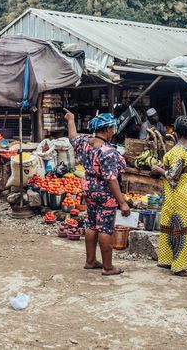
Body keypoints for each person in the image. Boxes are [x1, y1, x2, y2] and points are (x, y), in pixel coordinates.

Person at [65, 110, 130, 276]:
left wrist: (71, 120)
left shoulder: (85, 142)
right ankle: (108, 267)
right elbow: (111, 179)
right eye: (112, 128)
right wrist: (122, 202)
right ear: (107, 130)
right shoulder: (107, 151)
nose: (114, 131)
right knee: (105, 228)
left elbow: (72, 137)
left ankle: (91, 261)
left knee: (92, 223)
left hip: (88, 187)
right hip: (104, 190)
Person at [150, 116, 187, 277]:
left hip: (178, 194)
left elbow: (172, 177)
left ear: (176, 131)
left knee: (179, 227)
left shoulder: (177, 152)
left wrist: (158, 169)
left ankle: (181, 265)